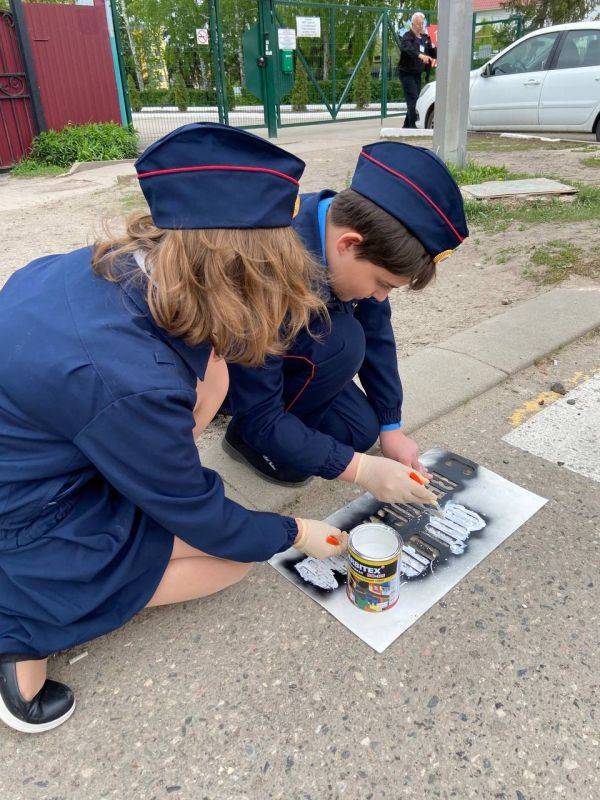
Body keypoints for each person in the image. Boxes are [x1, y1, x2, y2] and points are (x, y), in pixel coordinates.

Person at [0, 122, 349, 734]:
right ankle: (20, 630)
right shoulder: (133, 379)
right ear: (241, 278)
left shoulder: (99, 272)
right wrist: (293, 529)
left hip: (46, 459)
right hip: (27, 509)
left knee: (205, 534)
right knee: (230, 560)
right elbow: (197, 508)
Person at [224, 141, 468, 496]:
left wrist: (391, 425)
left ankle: (295, 431)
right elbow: (260, 403)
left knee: (360, 431)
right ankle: (247, 441)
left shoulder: (352, 232)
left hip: (289, 356)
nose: (381, 296)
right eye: (383, 284)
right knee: (340, 341)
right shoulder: (270, 269)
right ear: (348, 244)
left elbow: (378, 328)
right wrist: (360, 470)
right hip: (242, 372)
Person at [398, 12, 437, 129]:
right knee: (414, 100)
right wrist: (420, 55)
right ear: (413, 24)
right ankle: (413, 126)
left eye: (422, 23)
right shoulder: (407, 37)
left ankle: (406, 127)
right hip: (406, 74)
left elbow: (434, 54)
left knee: (414, 100)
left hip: (417, 74)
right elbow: (407, 49)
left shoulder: (425, 38)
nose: (421, 26)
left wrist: (433, 44)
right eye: (419, 24)